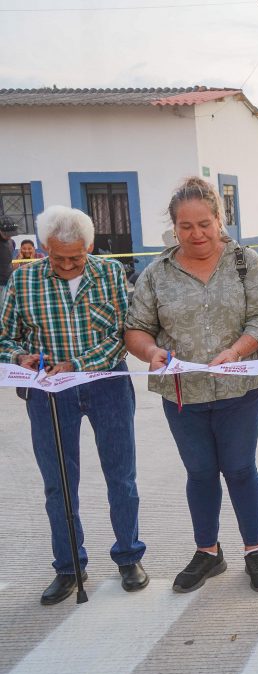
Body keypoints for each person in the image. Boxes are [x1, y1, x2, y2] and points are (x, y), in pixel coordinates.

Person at [125, 177, 258, 593]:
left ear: (219, 220)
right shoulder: (156, 273)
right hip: (181, 394)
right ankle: (208, 553)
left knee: (241, 469)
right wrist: (150, 353)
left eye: (204, 224)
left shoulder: (245, 262)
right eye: (186, 226)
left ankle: (254, 550)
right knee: (200, 472)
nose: (197, 234)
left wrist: (237, 351)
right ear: (174, 227)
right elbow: (137, 328)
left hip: (238, 391)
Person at [0, 206, 148, 605]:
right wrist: (20, 358)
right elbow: (5, 338)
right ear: (44, 247)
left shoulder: (110, 274)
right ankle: (69, 566)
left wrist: (78, 365)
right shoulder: (24, 278)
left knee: (122, 476)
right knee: (59, 483)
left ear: (91, 247)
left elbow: (123, 335)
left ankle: (129, 556)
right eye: (58, 256)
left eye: (76, 257)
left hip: (106, 383)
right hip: (49, 392)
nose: (66, 265)